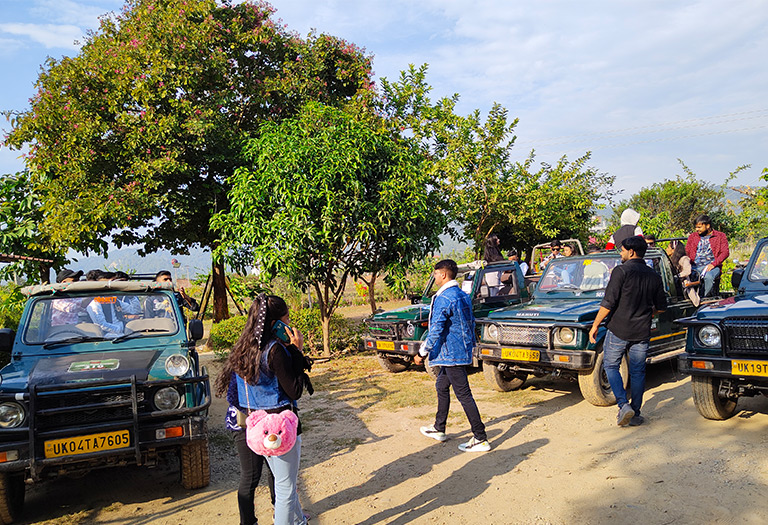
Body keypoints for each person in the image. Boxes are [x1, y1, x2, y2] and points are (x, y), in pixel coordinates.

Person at [214, 294, 313, 525]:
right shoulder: (275, 350)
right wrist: (297, 350)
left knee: (282, 480)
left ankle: (299, 521)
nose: (290, 325)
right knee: (286, 488)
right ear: (275, 324)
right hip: (280, 427)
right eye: (286, 320)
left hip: (258, 426)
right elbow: (294, 390)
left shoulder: (244, 349)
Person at [588, 236, 667, 427]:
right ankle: (636, 414)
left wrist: (595, 325)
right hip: (642, 331)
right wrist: (647, 312)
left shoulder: (620, 271)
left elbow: (608, 302)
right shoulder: (654, 276)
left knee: (611, 365)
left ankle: (623, 405)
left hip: (619, 329)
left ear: (631, 252)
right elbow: (661, 307)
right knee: (638, 371)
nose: (620, 254)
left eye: (622, 250)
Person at [415, 259, 490, 452]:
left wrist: (422, 352)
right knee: (441, 386)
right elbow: (470, 322)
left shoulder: (445, 298)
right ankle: (439, 428)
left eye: (435, 274)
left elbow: (436, 330)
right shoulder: (462, 295)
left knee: (464, 394)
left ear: (443, 274)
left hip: (451, 354)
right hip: (458, 351)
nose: (434, 277)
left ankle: (480, 438)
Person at [686, 215, 729, 298]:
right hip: (695, 266)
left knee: (708, 277)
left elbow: (725, 252)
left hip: (712, 266)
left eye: (699, 227)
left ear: (708, 226)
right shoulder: (693, 237)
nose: (697, 229)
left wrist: (713, 264)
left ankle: (706, 298)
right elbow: (687, 251)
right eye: (696, 227)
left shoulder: (720, 236)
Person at [666, 240, 695, 304]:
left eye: (668, 247)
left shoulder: (684, 259)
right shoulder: (670, 260)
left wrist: (677, 276)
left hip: (682, 284)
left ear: (674, 250)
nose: (666, 249)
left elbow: (687, 271)